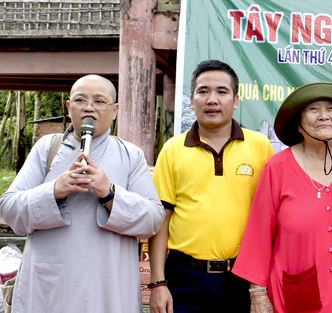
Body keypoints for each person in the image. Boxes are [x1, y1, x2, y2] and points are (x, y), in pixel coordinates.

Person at [0, 75, 166, 313]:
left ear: (115, 110)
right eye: (80, 100)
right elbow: (8, 208)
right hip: (50, 286)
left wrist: (109, 194)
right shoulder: (46, 149)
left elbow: (153, 219)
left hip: (107, 285)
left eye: (99, 101)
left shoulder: (131, 155)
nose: (89, 107)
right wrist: (54, 190)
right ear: (69, 107)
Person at [232, 82, 332, 312]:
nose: (324, 116)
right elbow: (259, 234)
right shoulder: (277, 167)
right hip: (294, 295)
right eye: (313, 109)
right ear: (298, 124)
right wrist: (257, 294)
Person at [148, 60, 274, 313]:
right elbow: (161, 219)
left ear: (236, 100)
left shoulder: (260, 147)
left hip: (242, 279)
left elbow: (271, 219)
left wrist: (261, 286)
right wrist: (158, 283)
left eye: (222, 92)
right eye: (203, 91)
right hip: (183, 279)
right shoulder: (173, 149)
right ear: (192, 99)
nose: (212, 99)